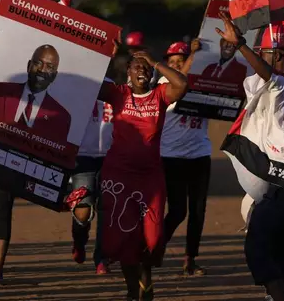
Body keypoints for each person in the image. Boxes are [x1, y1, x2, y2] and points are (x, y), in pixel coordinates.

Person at [218, 12, 284, 301]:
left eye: (266, 52)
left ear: (279, 55)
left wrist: (241, 45)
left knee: (257, 248)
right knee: (281, 251)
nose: (261, 56)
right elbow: (273, 69)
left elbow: (270, 75)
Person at [98, 43, 189, 300]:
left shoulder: (160, 94)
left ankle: (146, 275)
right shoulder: (118, 93)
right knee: (124, 238)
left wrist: (154, 61)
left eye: (146, 68)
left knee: (154, 238)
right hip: (119, 175)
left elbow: (181, 84)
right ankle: (132, 289)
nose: (142, 71)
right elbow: (90, 82)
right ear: (128, 70)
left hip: (150, 176)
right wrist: (110, 56)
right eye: (137, 66)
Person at [159, 39, 213, 277]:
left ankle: (190, 259)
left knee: (198, 211)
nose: (178, 66)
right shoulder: (164, 83)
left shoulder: (202, 82)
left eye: (182, 61)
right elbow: (182, 80)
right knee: (178, 210)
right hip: (171, 157)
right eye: (173, 63)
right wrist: (193, 55)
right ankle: (154, 247)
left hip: (199, 154)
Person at [0, 44, 72, 144]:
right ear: (28, 66)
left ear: (54, 76)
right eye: (38, 63)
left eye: (49, 67)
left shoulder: (61, 118)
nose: (42, 70)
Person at [66, 98, 113, 274]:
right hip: (83, 155)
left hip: (111, 155)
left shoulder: (122, 87)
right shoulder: (82, 85)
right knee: (82, 210)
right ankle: (79, 241)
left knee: (107, 209)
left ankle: (101, 257)